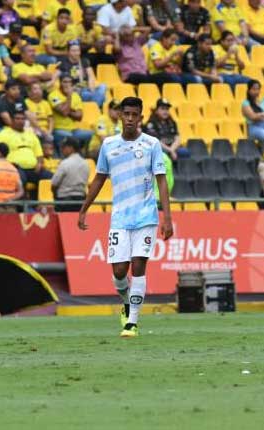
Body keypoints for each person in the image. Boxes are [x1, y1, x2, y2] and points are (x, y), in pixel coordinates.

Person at [78, 96, 173, 338]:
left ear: (141, 117)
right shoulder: (109, 145)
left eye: (134, 115)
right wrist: (84, 208)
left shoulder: (152, 144)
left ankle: (132, 323)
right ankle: (127, 302)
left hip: (146, 216)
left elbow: (161, 181)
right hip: (120, 218)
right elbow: (99, 178)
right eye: (126, 114)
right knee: (119, 271)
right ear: (120, 115)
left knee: (139, 265)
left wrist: (167, 217)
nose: (130, 118)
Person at [0, 107, 53, 190]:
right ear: (12, 120)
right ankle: (21, 202)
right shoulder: (3, 134)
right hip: (15, 168)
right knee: (20, 179)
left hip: (33, 169)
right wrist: (7, 165)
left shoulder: (31, 134)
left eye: (23, 119)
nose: (21, 121)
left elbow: (39, 154)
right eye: (17, 119)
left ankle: (44, 202)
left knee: (51, 177)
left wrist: (39, 163)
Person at [59, 41, 108, 108]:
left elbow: (91, 76)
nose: (76, 53)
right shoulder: (64, 64)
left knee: (103, 86)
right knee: (102, 97)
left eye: (77, 50)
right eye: (73, 51)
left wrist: (92, 90)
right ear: (68, 52)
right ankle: (95, 107)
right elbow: (56, 79)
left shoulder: (84, 61)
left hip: (87, 88)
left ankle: (94, 104)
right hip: (77, 91)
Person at [49, 75, 93, 148]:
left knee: (92, 134)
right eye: (65, 82)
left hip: (74, 130)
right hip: (59, 129)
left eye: (70, 82)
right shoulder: (53, 95)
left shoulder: (76, 95)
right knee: (71, 138)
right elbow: (64, 112)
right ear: (60, 83)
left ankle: (86, 156)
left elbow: (79, 116)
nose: (67, 84)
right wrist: (69, 97)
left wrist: (66, 108)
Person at [51, 137, 89, 212]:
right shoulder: (85, 163)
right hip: (81, 200)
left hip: (64, 201)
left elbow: (54, 184)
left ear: (71, 148)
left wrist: (55, 195)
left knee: (64, 223)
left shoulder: (65, 163)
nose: (62, 150)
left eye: (64, 147)